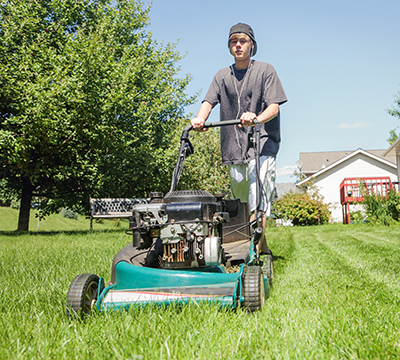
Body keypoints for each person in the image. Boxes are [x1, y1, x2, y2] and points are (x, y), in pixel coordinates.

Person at [191, 23, 287, 254]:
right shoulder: (222, 75)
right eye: (234, 41)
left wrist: (256, 118)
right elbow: (209, 101)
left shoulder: (266, 70)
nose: (238, 45)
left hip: (262, 143)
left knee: (258, 198)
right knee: (241, 202)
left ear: (252, 45)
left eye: (243, 41)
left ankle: (256, 252)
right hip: (233, 147)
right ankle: (253, 248)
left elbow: (273, 107)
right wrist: (200, 119)